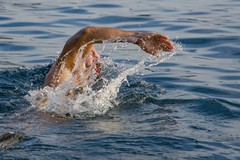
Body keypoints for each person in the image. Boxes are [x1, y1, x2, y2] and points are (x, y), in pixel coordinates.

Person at [43, 26, 174, 88]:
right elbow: (86, 35)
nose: (95, 55)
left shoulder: (84, 94)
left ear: (96, 71)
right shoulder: (59, 77)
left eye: (95, 54)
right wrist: (136, 37)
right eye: (88, 53)